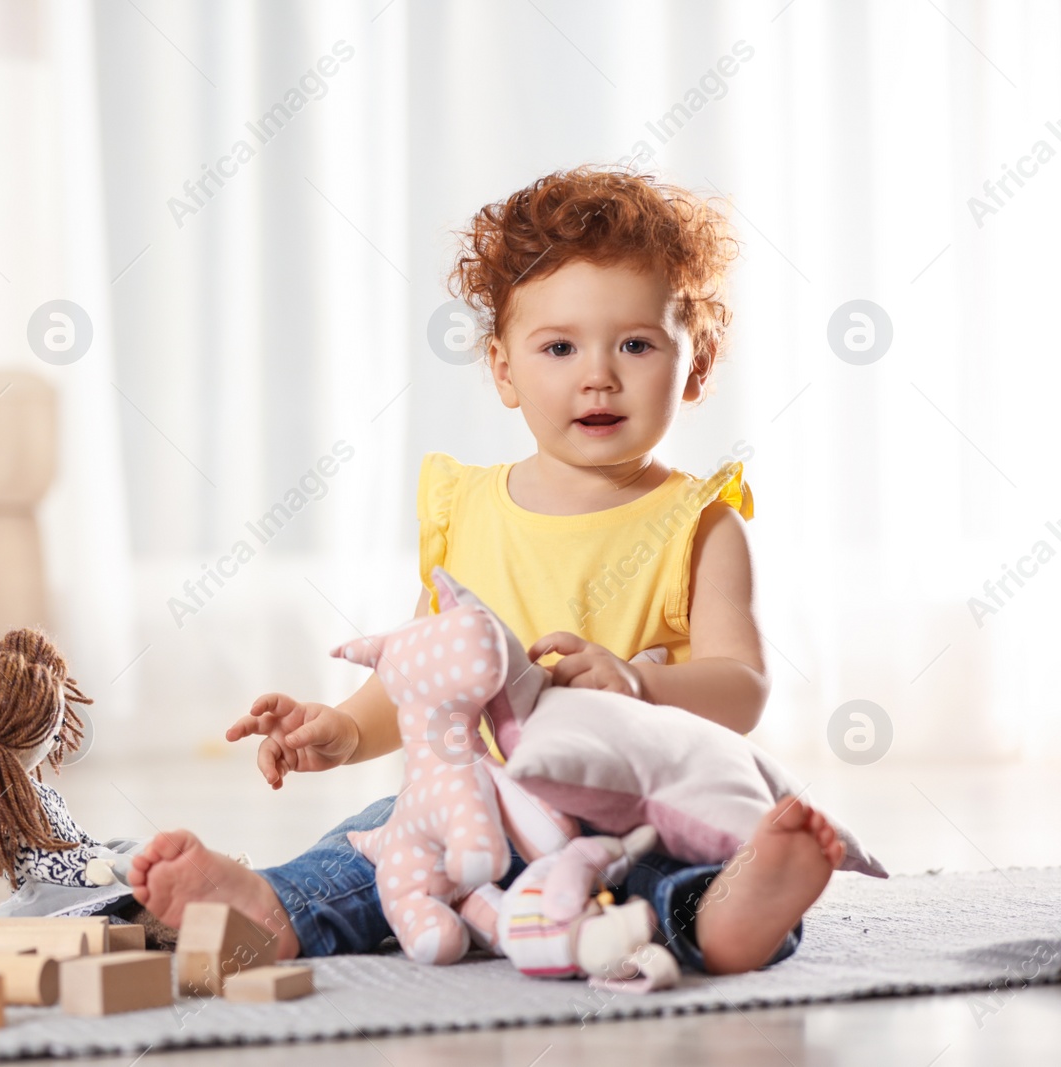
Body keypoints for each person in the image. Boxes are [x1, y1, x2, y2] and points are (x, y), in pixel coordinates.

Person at [127, 165, 845, 976]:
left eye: (637, 344)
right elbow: (423, 676)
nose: (597, 374)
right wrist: (344, 728)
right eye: (560, 346)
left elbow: (742, 684)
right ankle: (273, 906)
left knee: (688, 863)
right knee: (373, 834)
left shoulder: (699, 524)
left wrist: (640, 685)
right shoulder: (465, 510)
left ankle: (726, 918)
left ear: (698, 364)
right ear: (504, 369)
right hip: (474, 807)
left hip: (625, 817)